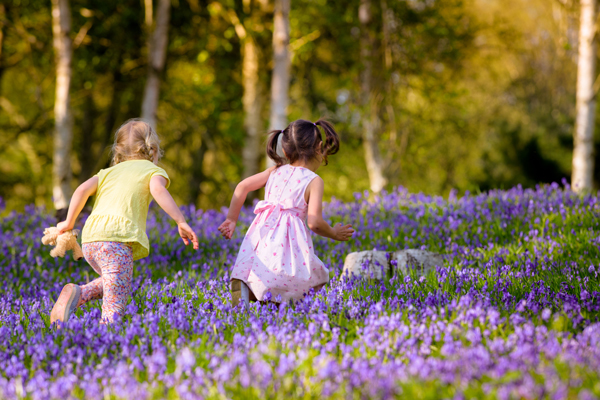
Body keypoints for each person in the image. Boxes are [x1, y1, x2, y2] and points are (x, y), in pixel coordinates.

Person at [50, 119, 199, 325]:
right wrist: (180, 220)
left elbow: (81, 190)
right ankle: (108, 334)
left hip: (91, 239)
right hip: (117, 238)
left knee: (115, 281)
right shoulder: (151, 170)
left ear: (118, 152)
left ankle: (76, 293)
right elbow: (158, 190)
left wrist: (68, 222)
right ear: (153, 150)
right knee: (116, 299)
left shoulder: (107, 172)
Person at [218, 119, 354, 305]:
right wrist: (333, 232)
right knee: (303, 277)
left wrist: (231, 219)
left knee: (253, 265)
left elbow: (242, 187)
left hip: (261, 232)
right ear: (319, 147)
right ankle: (278, 305)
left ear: (285, 151)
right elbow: (314, 222)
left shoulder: (275, 171)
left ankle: (244, 290)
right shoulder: (314, 181)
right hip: (289, 240)